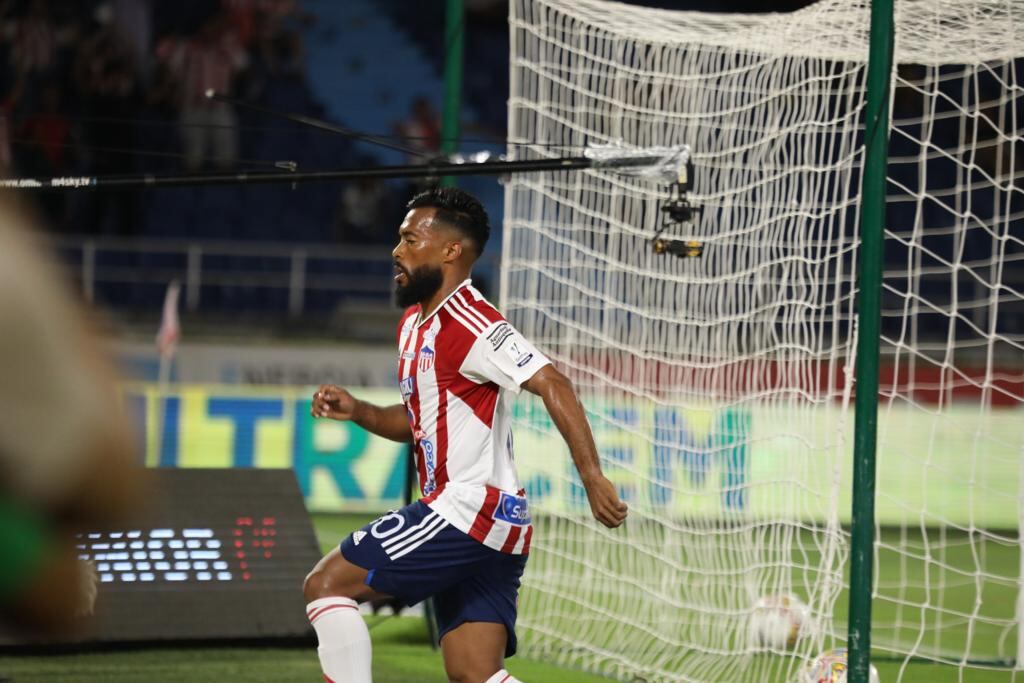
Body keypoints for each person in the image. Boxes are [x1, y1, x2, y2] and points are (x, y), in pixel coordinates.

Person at [304, 187, 628, 683]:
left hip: (467, 510)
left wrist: (592, 476)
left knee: (326, 585)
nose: (397, 250)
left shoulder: (473, 322)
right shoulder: (414, 324)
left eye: (411, 239)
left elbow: (551, 381)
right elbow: (419, 424)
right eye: (398, 239)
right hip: (493, 523)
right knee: (474, 674)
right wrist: (360, 411)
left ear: (451, 251)